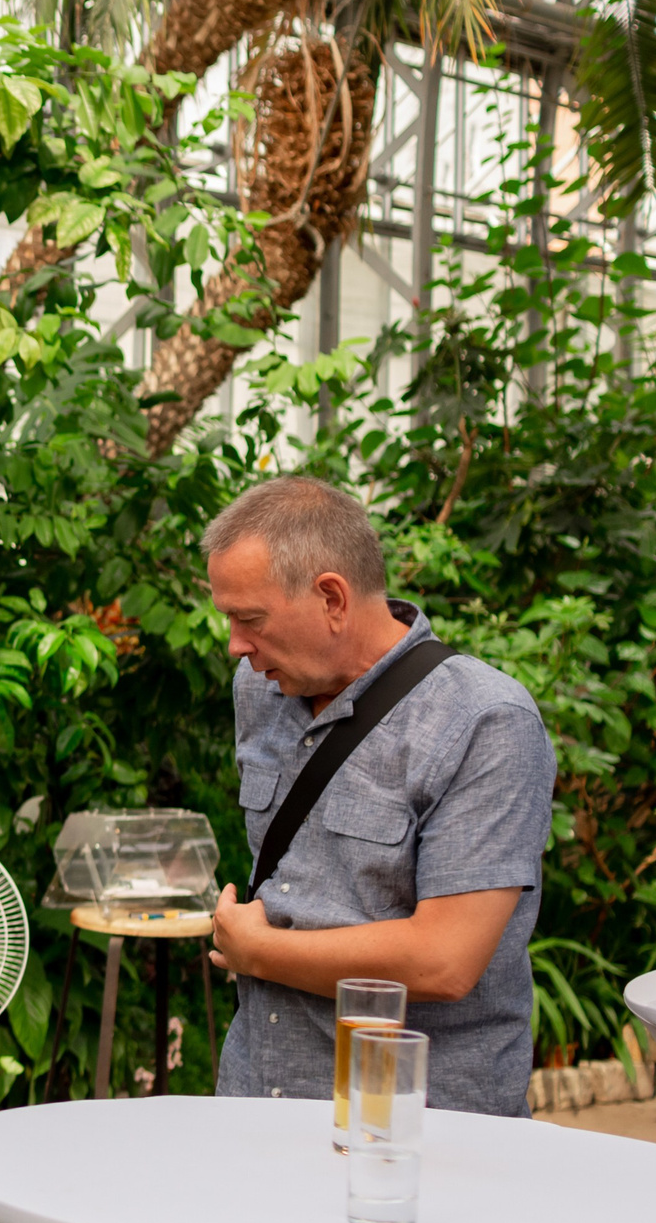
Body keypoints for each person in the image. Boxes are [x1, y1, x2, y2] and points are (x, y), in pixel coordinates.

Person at [203, 475, 555, 1114]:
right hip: (256, 1095)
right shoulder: (259, 688)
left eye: (249, 618)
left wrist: (261, 952)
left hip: (412, 1125)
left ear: (332, 598)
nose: (235, 644)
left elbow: (445, 961)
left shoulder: (486, 720)